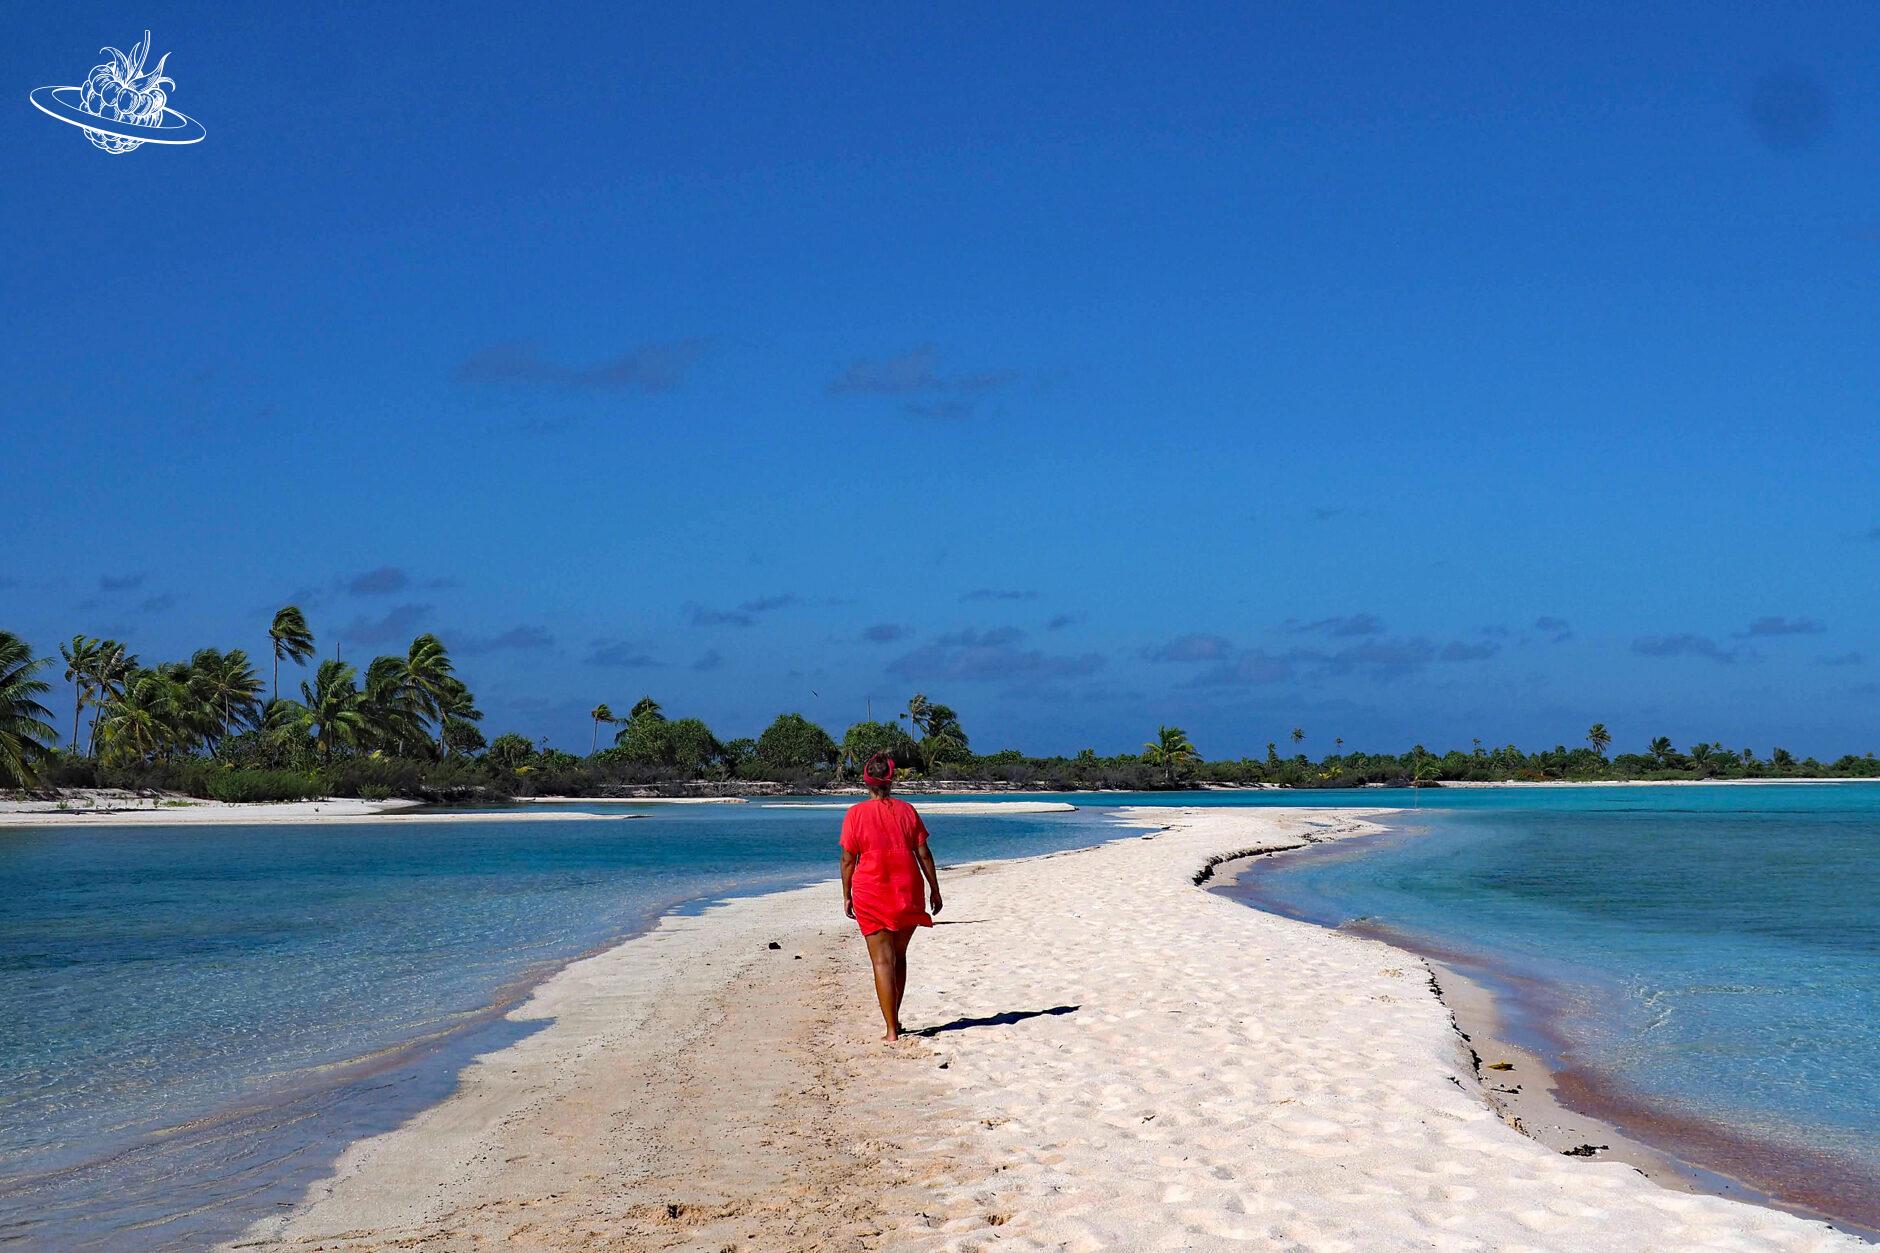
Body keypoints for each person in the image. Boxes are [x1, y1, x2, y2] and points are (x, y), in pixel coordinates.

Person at [839, 752, 942, 1041]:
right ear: (891, 779)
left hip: (870, 890)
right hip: (907, 887)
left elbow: (848, 859)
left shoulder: (855, 814)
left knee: (882, 962)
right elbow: (923, 853)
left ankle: (891, 1030)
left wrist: (846, 894)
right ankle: (894, 1020)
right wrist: (934, 888)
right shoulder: (907, 810)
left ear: (866, 782)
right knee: (898, 956)